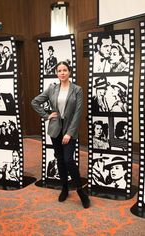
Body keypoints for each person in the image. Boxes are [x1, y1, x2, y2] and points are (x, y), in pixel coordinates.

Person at [31, 61, 90, 208]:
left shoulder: (77, 89)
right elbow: (35, 102)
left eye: (65, 70)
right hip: (55, 129)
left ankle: (81, 192)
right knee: (60, 159)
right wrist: (47, 115)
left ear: (69, 72)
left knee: (68, 159)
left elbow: (78, 113)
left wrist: (69, 133)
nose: (62, 73)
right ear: (56, 73)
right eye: (59, 70)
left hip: (70, 129)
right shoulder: (52, 89)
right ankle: (64, 188)